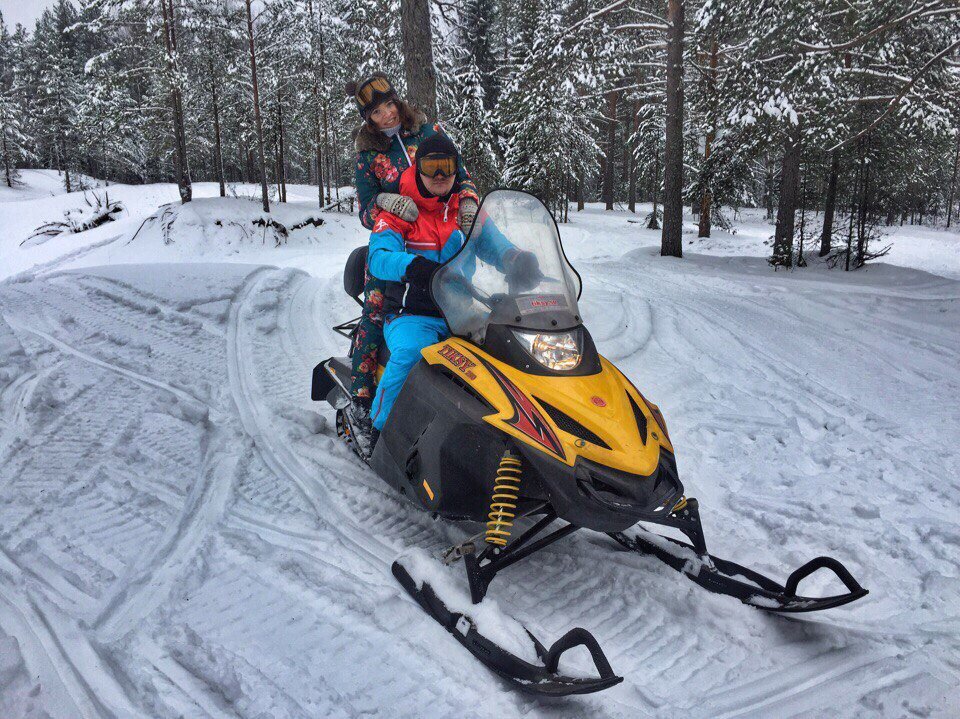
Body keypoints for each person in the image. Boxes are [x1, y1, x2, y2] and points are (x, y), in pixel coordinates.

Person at [344, 73, 480, 448]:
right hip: (397, 240)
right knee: (377, 309)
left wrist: (468, 202)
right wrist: (384, 203)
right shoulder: (368, 156)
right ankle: (362, 400)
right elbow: (366, 210)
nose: (386, 115)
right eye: (376, 112)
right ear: (367, 119)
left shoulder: (427, 131)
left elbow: (461, 173)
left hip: (442, 231)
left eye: (389, 105)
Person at [366, 133, 533, 435]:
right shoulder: (399, 212)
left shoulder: (465, 210)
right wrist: (412, 266)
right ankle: (378, 428)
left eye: (447, 166)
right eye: (432, 167)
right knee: (412, 352)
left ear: (457, 168)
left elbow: (493, 245)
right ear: (418, 169)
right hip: (412, 314)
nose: (440, 176)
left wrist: (516, 260)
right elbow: (378, 257)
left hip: (460, 310)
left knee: (508, 349)